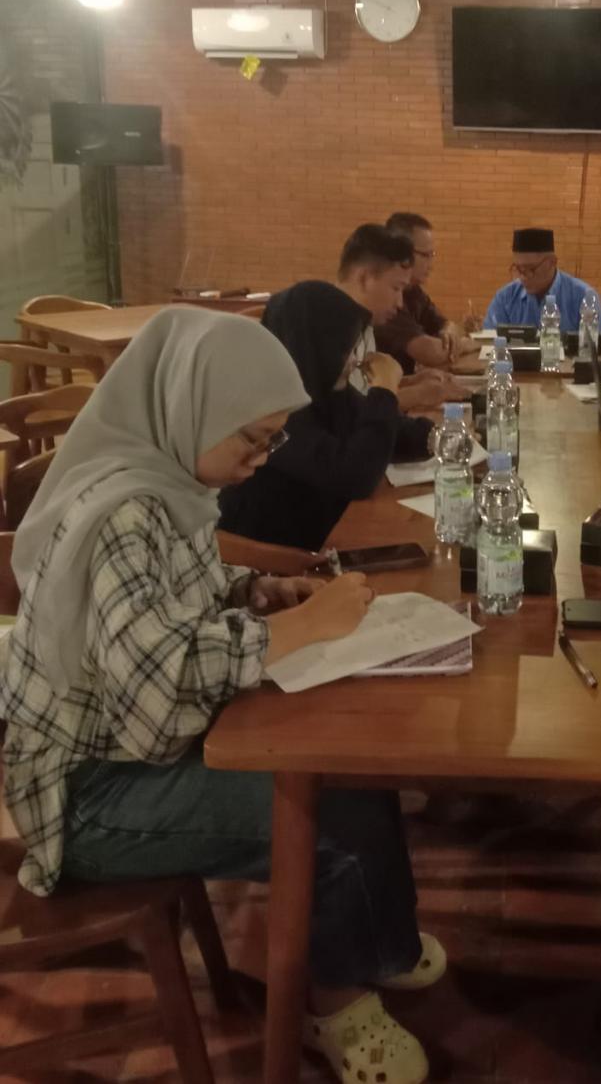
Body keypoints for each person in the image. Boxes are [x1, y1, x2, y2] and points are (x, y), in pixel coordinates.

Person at [0, 307, 441, 1084]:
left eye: (272, 440)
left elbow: (183, 589)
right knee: (325, 812)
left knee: (352, 771)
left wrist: (259, 590)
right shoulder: (122, 512)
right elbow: (158, 680)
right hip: (89, 797)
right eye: (253, 439)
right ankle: (334, 1007)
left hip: (124, 757)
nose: (261, 460)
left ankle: (376, 946)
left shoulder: (161, 478)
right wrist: (299, 630)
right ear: (191, 407)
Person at [219, 280, 433, 551]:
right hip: (276, 560)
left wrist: (440, 438)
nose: (354, 361)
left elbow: (392, 432)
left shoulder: (324, 389)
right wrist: (385, 391)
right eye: (344, 351)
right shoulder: (272, 411)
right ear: (315, 347)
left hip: (324, 541)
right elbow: (355, 476)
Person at [337, 222, 465, 412]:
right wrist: (418, 394)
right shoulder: (328, 329)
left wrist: (412, 381)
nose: (399, 303)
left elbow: (363, 390)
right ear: (364, 279)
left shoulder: (363, 324)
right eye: (395, 288)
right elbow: (348, 414)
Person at [375, 212, 478, 373]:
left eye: (432, 255)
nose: (431, 265)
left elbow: (446, 324)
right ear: (401, 252)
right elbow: (429, 352)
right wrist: (466, 344)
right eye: (425, 255)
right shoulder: (385, 298)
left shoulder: (413, 291)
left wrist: (449, 333)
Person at [483, 227, 601, 332]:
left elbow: (598, 349)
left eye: (531, 269)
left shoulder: (583, 297)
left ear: (552, 262)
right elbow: (489, 344)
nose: (523, 277)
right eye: (518, 269)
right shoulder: (505, 298)